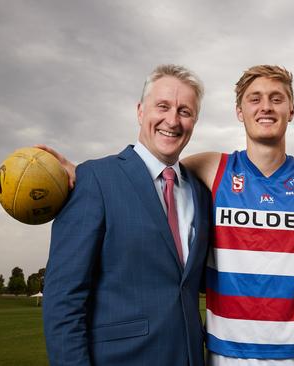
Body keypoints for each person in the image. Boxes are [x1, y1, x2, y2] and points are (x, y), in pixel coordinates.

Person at [42, 65, 294, 365]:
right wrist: (87, 174)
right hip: (223, 355)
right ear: (239, 111)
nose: (265, 107)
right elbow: (149, 173)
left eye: (276, 99)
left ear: (291, 110)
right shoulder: (210, 170)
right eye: (255, 99)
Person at [42, 64, 212, 366]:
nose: (172, 120)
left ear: (194, 121)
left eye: (185, 111)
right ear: (140, 111)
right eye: (163, 106)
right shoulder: (95, 179)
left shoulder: (199, 192)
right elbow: (63, 300)